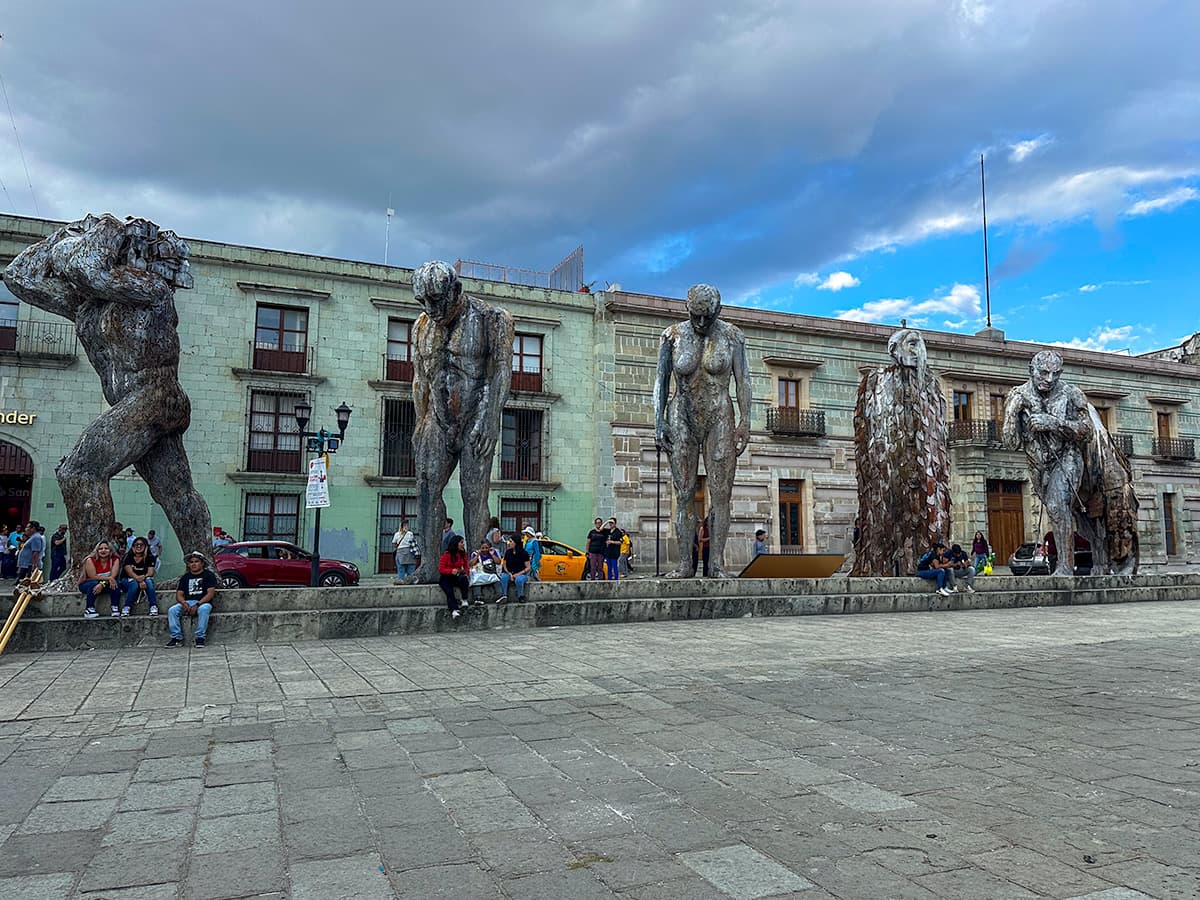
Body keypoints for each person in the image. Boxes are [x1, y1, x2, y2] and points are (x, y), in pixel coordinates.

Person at [3, 215, 214, 579]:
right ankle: (207, 568)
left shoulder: (151, 290)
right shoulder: (89, 306)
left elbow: (87, 270)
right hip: (141, 402)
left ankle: (88, 575)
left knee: (80, 471)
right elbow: (20, 276)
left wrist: (105, 229)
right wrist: (62, 235)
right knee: (175, 493)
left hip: (154, 396)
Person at [408, 261, 515, 583]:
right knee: (425, 489)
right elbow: (420, 379)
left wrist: (490, 419)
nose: (431, 308)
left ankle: (478, 566)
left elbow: (501, 372)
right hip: (435, 419)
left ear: (456, 290)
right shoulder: (421, 326)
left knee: (474, 495)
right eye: (423, 302)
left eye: (437, 299)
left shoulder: (492, 319)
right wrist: (419, 421)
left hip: (476, 414)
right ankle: (428, 566)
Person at [653, 284, 751, 578]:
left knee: (721, 494)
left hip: (719, 415)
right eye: (695, 316)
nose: (700, 323)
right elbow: (661, 380)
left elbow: (743, 380)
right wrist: (658, 420)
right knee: (683, 493)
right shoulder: (671, 336)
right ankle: (685, 564)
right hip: (681, 414)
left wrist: (745, 420)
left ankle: (716, 564)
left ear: (718, 311)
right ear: (688, 310)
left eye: (707, 317)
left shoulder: (733, 336)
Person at [852, 329, 952, 576]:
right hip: (887, 467)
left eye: (920, 345)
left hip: (923, 464)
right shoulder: (877, 381)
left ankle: (921, 563)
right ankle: (881, 566)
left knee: (924, 513)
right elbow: (867, 426)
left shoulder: (930, 385)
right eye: (912, 344)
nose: (918, 351)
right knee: (885, 518)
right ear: (894, 350)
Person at [166, 551, 217, 647]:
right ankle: (176, 638)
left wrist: (197, 605)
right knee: (172, 610)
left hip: (203, 602)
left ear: (202, 563)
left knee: (204, 609)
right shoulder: (185, 577)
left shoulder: (209, 575)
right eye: (191, 562)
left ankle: (200, 637)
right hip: (188, 602)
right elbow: (179, 594)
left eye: (196, 561)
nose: (193, 564)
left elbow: (210, 594)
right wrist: (184, 603)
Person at [79, 540, 122, 618]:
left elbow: (113, 576)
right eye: (100, 549)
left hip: (105, 584)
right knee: (94, 584)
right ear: (97, 550)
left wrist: (102, 584)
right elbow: (93, 576)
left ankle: (114, 607)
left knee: (116, 584)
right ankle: (89, 609)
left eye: (106, 548)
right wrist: (107, 579)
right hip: (87, 583)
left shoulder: (115, 560)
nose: (103, 550)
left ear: (110, 550)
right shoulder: (90, 560)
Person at [120, 536, 158, 616]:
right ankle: (127, 606)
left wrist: (142, 579)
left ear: (145, 546)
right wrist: (139, 580)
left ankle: (153, 606)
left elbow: (150, 573)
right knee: (134, 584)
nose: (139, 546)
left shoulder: (150, 557)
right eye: (136, 544)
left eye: (141, 544)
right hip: (127, 580)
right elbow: (129, 572)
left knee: (149, 583)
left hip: (143, 578)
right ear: (133, 546)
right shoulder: (128, 556)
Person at [438, 535, 471, 619]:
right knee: (449, 592)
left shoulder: (463, 554)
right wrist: (451, 571)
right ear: (456, 544)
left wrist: (466, 572)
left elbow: (466, 566)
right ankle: (454, 610)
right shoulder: (446, 555)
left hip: (457, 576)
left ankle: (464, 599)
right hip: (446, 577)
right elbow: (441, 569)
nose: (463, 544)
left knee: (464, 579)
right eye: (461, 542)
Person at [498, 535, 532, 602]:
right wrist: (509, 573)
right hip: (509, 572)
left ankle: (520, 596)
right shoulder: (508, 552)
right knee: (503, 577)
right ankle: (504, 595)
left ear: (516, 543)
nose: (509, 543)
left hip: (521, 573)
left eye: (511, 541)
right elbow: (504, 564)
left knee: (519, 580)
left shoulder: (524, 553)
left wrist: (518, 574)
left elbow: (528, 567)